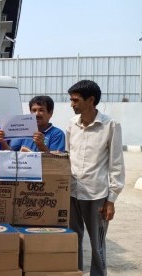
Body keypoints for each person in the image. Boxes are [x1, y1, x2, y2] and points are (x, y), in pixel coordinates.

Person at [66, 80, 125, 276]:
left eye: (76, 100)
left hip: (97, 194)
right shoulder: (72, 125)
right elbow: (66, 157)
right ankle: (75, 272)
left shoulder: (110, 126)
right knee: (73, 239)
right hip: (72, 192)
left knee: (97, 244)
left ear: (91, 100)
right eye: (71, 100)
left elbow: (116, 164)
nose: (72, 104)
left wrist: (111, 200)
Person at [0, 95, 65, 152]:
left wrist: (41, 145)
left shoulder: (57, 134)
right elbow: (11, 155)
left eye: (41, 110)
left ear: (50, 113)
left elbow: (55, 162)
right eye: (34, 110)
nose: (37, 114)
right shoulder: (22, 131)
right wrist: (2, 141)